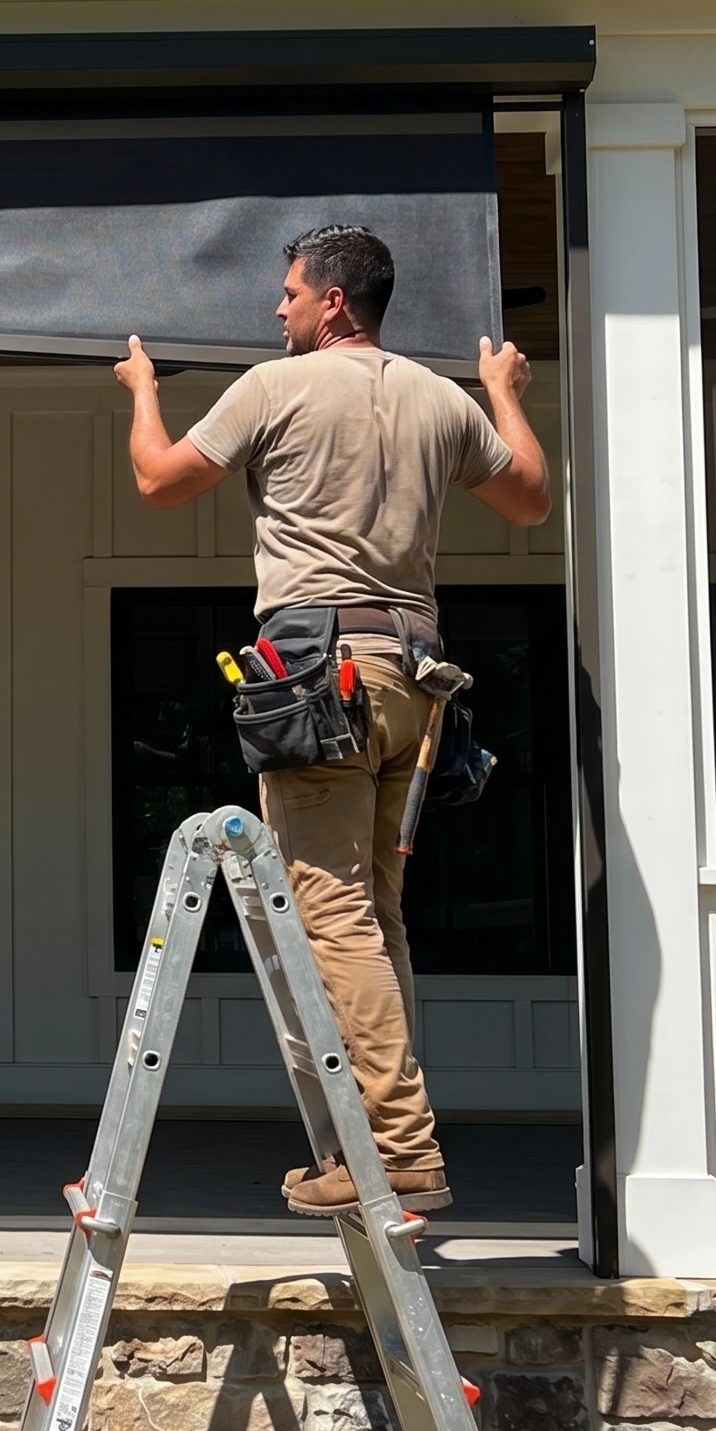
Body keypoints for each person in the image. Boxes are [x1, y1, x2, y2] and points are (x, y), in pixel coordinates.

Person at [116, 225, 550, 1216]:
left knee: (331, 914)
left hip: (319, 677)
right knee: (376, 914)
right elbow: (529, 500)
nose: (278, 309)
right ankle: (366, 1141)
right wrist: (505, 395)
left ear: (334, 303)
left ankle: (398, 1153)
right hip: (411, 683)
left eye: (288, 294)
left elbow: (158, 480)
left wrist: (142, 390)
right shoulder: (440, 399)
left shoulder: (277, 390)